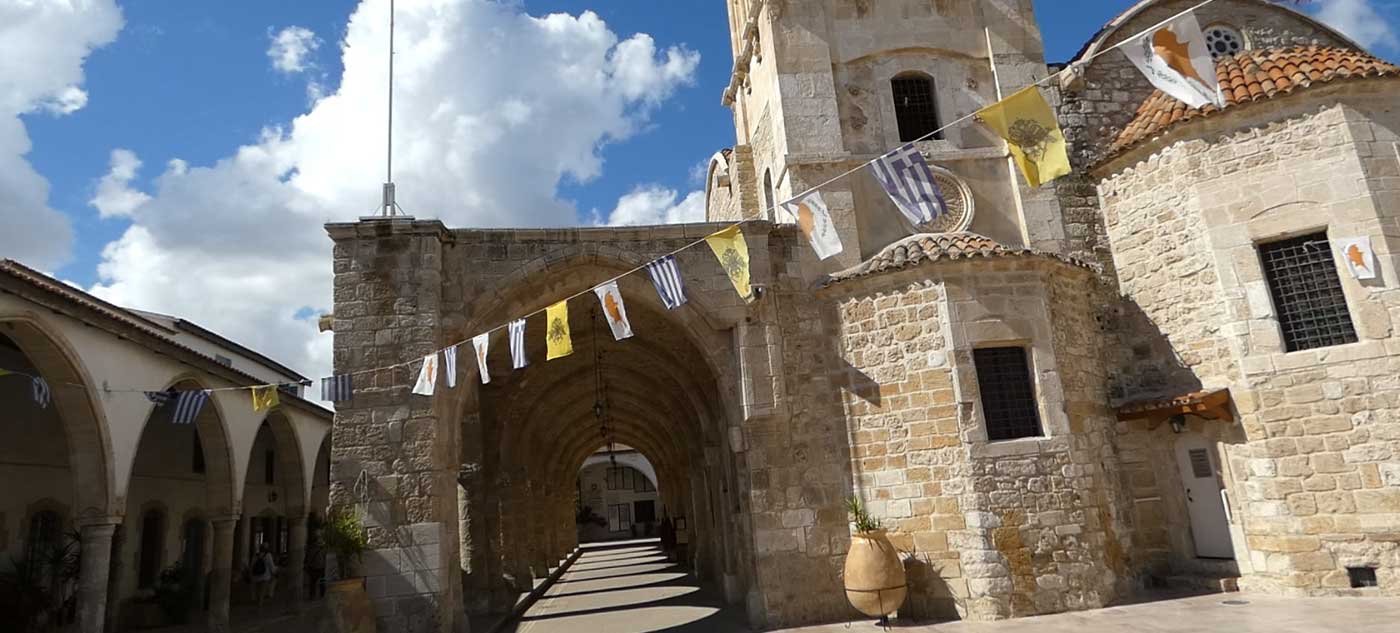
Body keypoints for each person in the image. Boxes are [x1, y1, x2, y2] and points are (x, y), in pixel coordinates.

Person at [251, 544, 278, 609]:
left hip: (256, 577)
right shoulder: (268, 556)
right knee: (262, 592)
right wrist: (276, 569)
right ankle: (260, 606)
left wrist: (251, 576)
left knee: (257, 591)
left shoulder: (255, 555)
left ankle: (256, 603)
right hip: (265, 577)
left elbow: (252, 566)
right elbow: (272, 567)